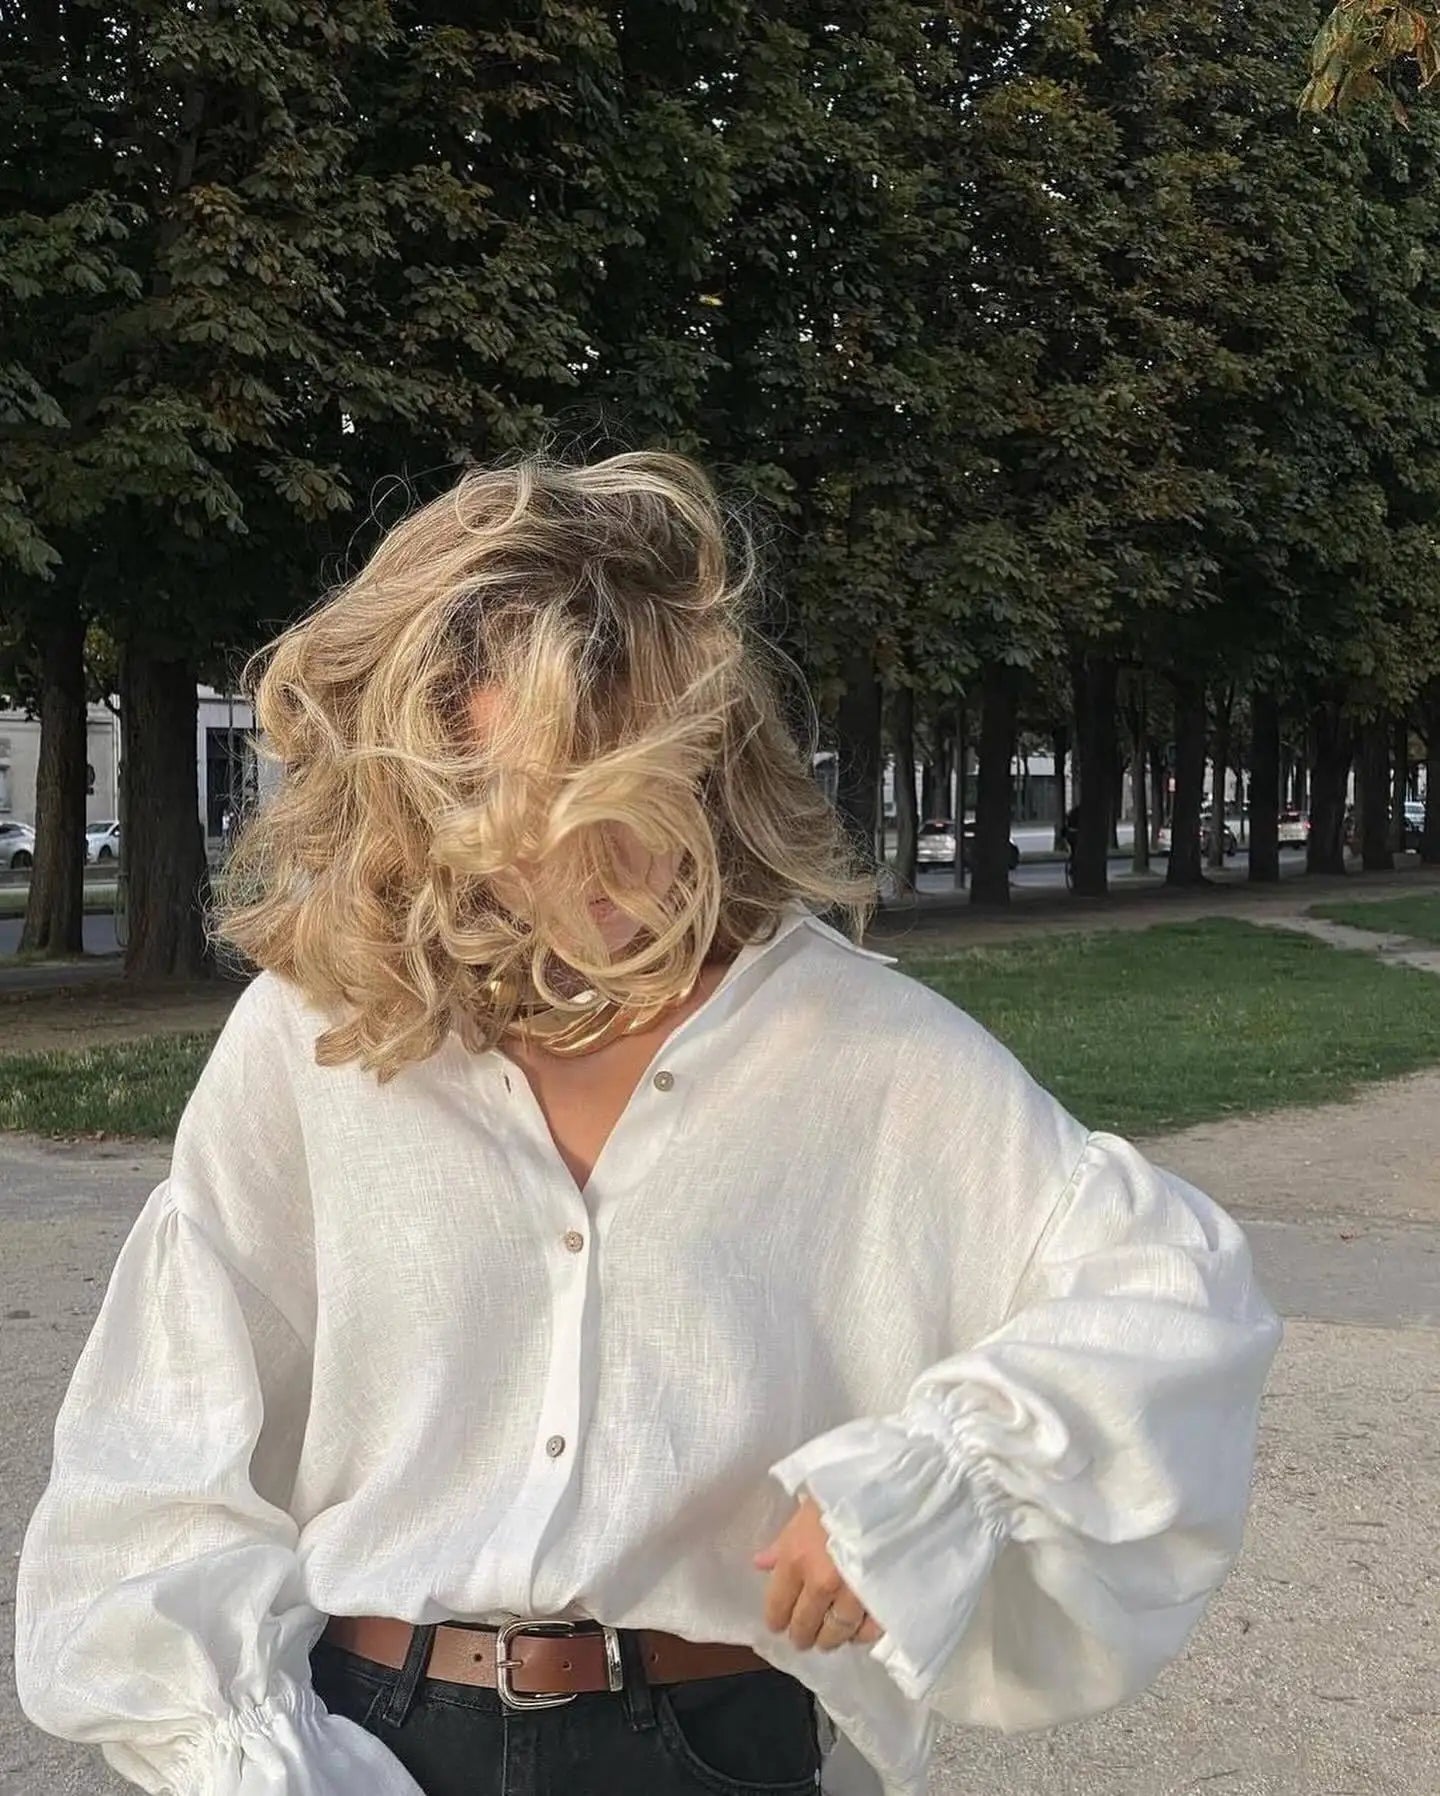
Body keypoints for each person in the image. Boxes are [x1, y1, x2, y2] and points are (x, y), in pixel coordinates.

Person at [14, 449, 1283, 1796]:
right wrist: (265, 1765)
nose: (577, 860)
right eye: (506, 802)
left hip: (706, 1743)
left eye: (620, 796)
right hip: (357, 1738)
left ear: (709, 767)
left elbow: (1169, 1293)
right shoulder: (318, 1034)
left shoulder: (859, 1049)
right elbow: (158, 1451)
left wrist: (932, 1475)